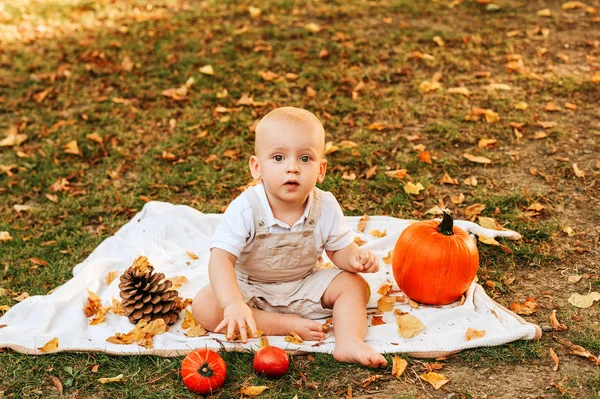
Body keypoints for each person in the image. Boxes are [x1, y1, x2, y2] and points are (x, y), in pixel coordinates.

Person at [191, 107, 387, 367]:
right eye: (279, 157)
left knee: (354, 285)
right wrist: (233, 303)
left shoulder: (325, 205)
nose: (292, 168)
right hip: (251, 287)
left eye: (305, 159)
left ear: (321, 170)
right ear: (256, 167)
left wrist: (354, 258)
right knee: (205, 305)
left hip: (303, 284)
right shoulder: (247, 208)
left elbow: (339, 250)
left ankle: (349, 341)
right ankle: (283, 325)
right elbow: (220, 259)